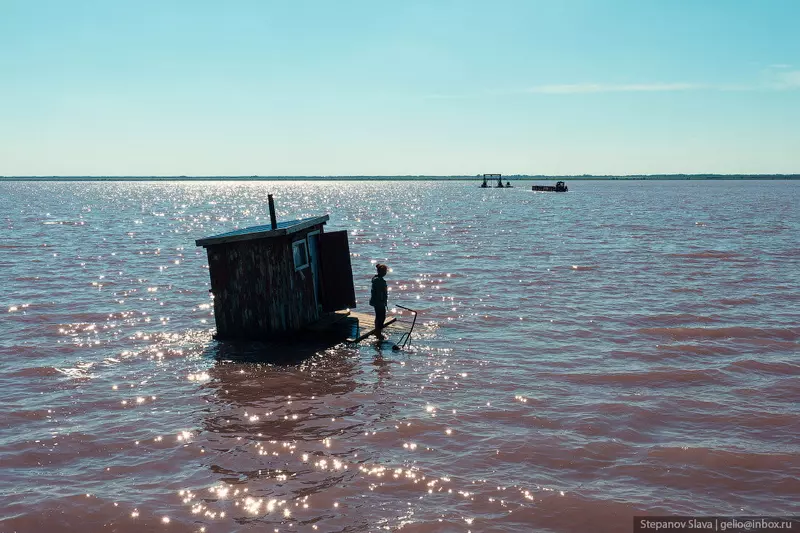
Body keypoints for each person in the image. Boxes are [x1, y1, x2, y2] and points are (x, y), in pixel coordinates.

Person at [370, 263, 388, 340]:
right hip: (379, 302)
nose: (386, 272)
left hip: (377, 301)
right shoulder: (379, 281)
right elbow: (380, 292)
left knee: (378, 316)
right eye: (385, 271)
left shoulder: (376, 279)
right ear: (381, 272)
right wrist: (383, 301)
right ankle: (378, 332)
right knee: (381, 317)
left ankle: (377, 331)